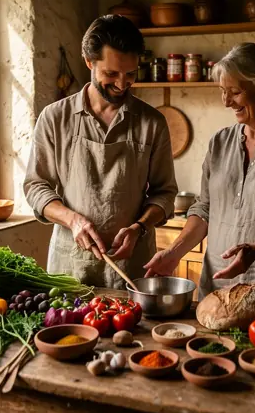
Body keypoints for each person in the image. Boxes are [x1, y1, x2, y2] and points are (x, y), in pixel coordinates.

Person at [145, 43, 255, 307]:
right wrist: (174, 252)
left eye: (235, 92)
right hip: (219, 288)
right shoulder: (219, 142)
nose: (226, 101)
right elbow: (204, 209)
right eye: (223, 91)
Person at [24, 15, 177, 288]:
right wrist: (72, 220)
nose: (122, 84)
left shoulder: (151, 122)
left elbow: (164, 192)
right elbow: (36, 186)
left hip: (133, 263)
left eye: (130, 74)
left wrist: (139, 227)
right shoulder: (55, 118)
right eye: (111, 73)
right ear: (88, 62)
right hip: (70, 264)